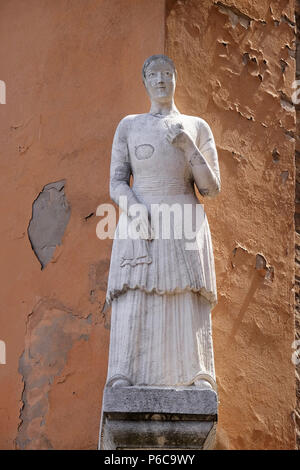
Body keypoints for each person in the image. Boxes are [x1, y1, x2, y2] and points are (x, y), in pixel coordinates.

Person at [104, 54, 220, 390]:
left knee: (185, 293)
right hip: (141, 216)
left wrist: (188, 147)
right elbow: (116, 182)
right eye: (154, 75)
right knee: (136, 290)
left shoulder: (196, 127)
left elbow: (211, 188)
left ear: (175, 79)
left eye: (167, 74)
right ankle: (124, 373)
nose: (160, 81)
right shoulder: (130, 125)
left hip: (184, 216)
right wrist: (133, 207)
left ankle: (196, 373)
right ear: (144, 81)